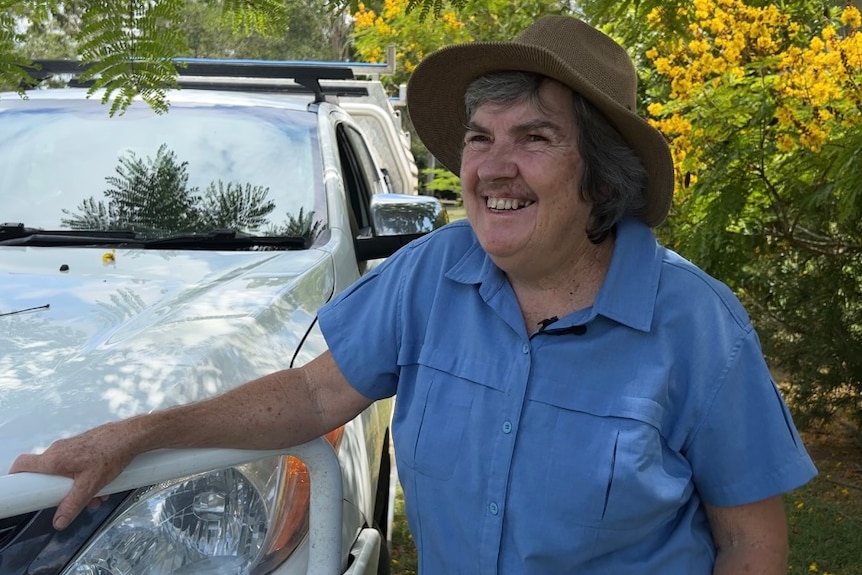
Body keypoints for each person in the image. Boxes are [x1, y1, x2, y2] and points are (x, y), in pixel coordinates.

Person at [11, 15, 817, 574]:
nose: (492, 168)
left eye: (534, 138)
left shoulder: (698, 326)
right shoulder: (435, 272)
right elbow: (313, 392)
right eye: (479, 138)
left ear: (602, 173)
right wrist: (138, 435)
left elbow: (750, 542)